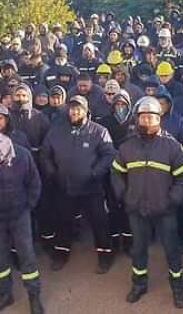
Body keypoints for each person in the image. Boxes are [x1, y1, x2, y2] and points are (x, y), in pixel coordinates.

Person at [111, 96, 183, 309]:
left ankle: (178, 288)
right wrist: (124, 195)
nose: (147, 120)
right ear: (137, 119)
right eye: (143, 117)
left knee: (172, 250)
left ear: (159, 119)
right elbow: (116, 172)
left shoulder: (171, 146)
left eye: (151, 117)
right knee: (138, 249)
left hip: (165, 210)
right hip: (136, 209)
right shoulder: (127, 146)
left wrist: (173, 199)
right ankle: (139, 285)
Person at [41, 95, 117, 273]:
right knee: (63, 221)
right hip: (65, 187)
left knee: (99, 222)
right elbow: (45, 154)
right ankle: (61, 254)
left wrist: (94, 173)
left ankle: (105, 255)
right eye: (72, 108)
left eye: (78, 108)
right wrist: (53, 173)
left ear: (86, 110)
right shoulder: (56, 131)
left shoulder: (99, 131)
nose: (74, 112)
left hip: (91, 188)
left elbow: (109, 155)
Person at [0, 133, 44, 314]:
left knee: (27, 256)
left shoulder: (22, 156)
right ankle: (5, 294)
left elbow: (34, 183)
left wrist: (28, 206)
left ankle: (34, 295)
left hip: (19, 215)